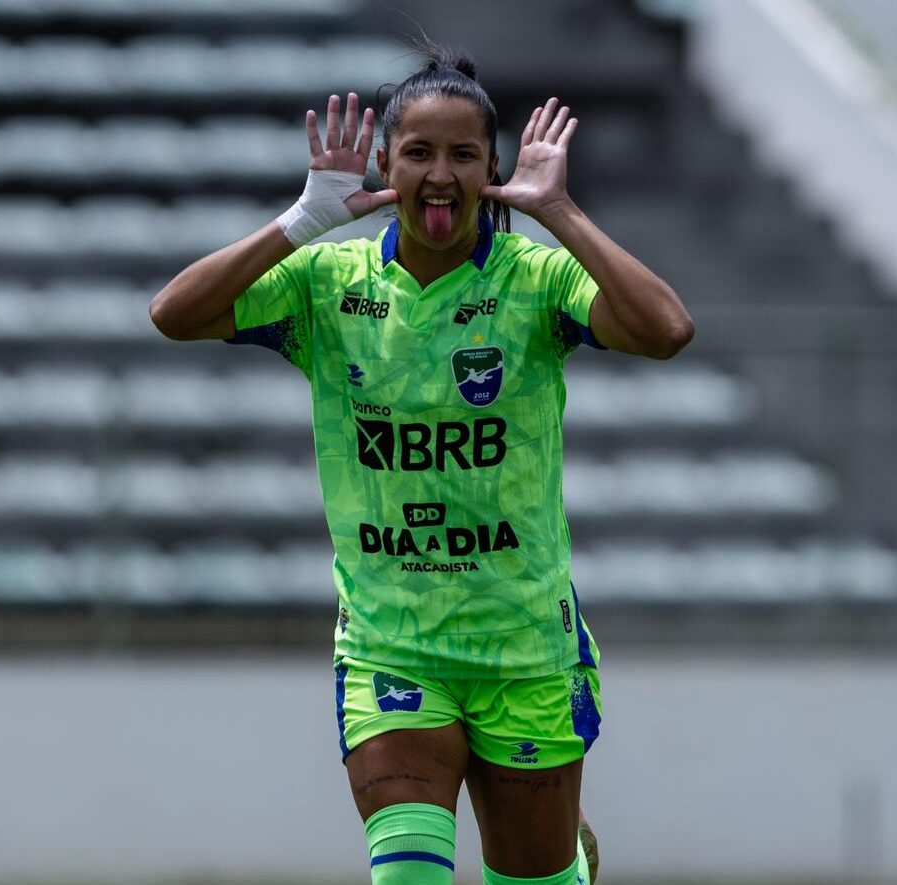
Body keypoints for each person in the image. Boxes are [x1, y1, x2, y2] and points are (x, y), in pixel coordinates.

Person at [150, 44, 693, 885]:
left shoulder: (537, 279)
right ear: (384, 165)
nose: (440, 175)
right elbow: (173, 315)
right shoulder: (326, 282)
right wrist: (303, 220)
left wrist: (563, 213)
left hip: (523, 648)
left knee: (533, 878)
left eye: (463, 155)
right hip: (390, 648)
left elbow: (666, 331)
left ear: (492, 169)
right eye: (419, 153)